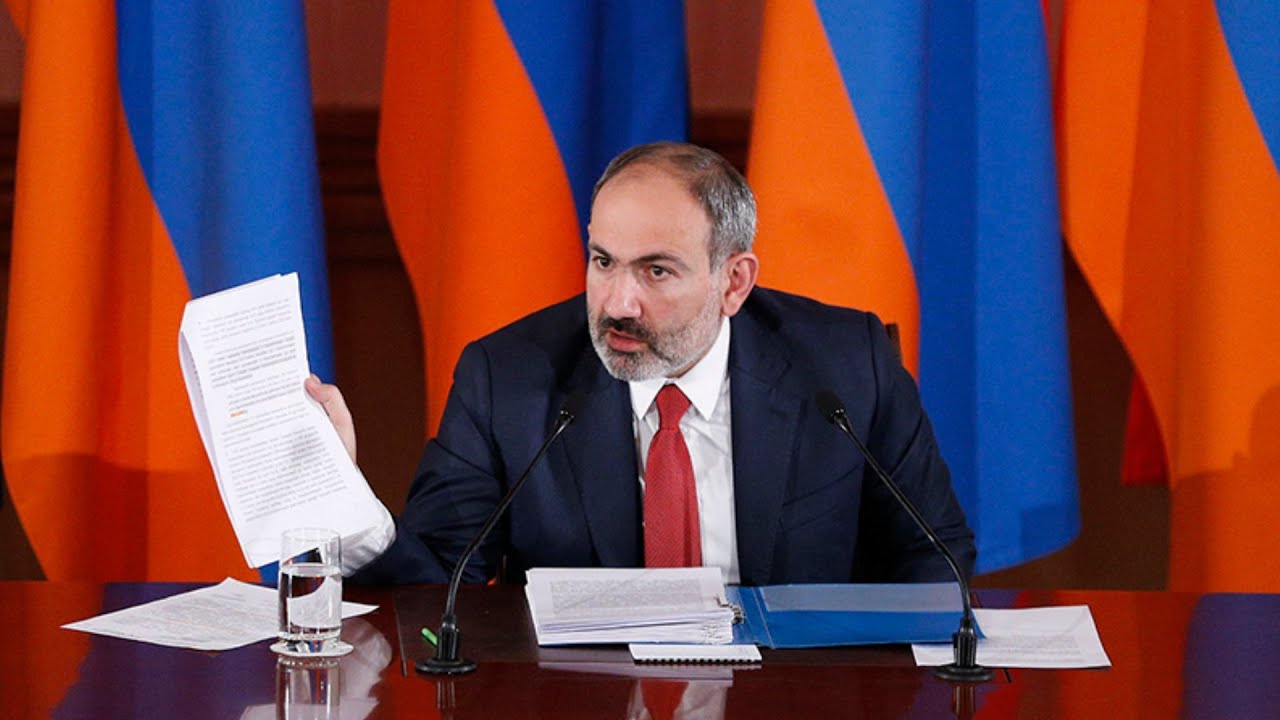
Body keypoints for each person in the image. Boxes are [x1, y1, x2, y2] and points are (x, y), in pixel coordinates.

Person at [307, 141, 975, 586]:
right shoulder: (508, 378)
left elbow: (936, 561)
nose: (618, 304)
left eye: (657, 271)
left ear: (733, 282)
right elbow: (435, 583)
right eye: (603, 262)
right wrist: (342, 500)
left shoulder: (846, 368)